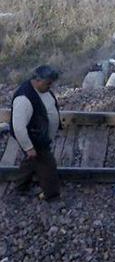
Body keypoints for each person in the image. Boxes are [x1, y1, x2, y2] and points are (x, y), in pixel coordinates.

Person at [9, 65, 62, 201]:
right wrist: (29, 147)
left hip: (41, 136)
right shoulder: (23, 98)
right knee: (48, 166)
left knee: (32, 161)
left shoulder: (42, 89)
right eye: (48, 83)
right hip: (34, 139)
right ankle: (52, 195)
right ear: (37, 80)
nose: (50, 86)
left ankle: (20, 187)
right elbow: (18, 127)